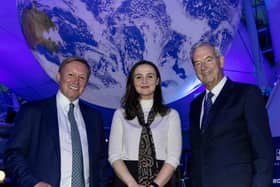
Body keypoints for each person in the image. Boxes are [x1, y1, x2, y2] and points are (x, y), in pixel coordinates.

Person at [4, 57, 108, 187]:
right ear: (58, 77)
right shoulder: (33, 112)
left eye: (82, 77)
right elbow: (13, 155)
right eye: (70, 75)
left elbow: (101, 163)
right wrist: (32, 183)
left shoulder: (94, 117)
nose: (76, 81)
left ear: (86, 83)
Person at [188, 41, 274, 187]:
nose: (203, 67)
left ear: (221, 61)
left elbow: (263, 152)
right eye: (197, 63)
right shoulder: (195, 106)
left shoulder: (247, 94)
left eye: (208, 59)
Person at [108, 60, 182, 187]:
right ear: (132, 82)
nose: (144, 81)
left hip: (162, 180)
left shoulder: (171, 114)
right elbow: (114, 156)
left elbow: (173, 157)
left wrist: (155, 185)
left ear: (157, 81)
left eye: (150, 76)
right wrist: (132, 184)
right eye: (138, 77)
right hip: (126, 180)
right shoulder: (120, 114)